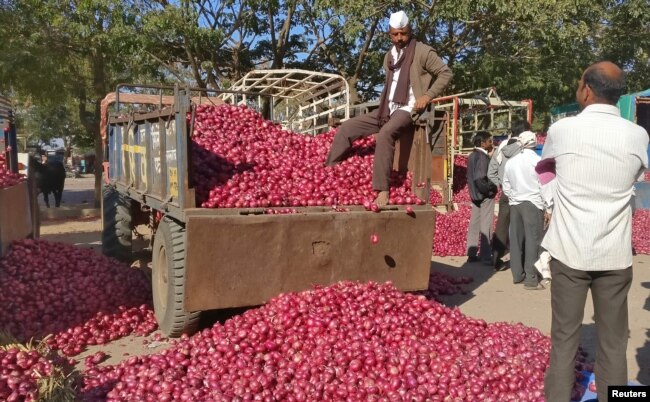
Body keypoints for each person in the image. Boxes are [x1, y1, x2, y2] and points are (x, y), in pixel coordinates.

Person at [543, 61, 648, 402]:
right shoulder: (638, 135)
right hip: (614, 256)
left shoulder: (562, 130)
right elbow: (636, 181)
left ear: (586, 89)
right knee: (615, 343)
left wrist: (558, 198)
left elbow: (545, 173)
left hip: (569, 252)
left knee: (564, 341)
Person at [325, 10, 453, 206]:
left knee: (385, 134)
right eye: (395, 34)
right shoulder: (389, 57)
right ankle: (330, 169)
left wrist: (427, 96)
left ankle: (382, 190)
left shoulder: (423, 52)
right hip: (387, 109)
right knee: (347, 128)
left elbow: (445, 73)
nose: (400, 38)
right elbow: (390, 86)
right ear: (389, 34)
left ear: (410, 31)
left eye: (403, 33)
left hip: (409, 108)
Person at [501, 131, 545, 289]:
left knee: (516, 239)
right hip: (533, 203)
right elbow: (544, 185)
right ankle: (531, 278)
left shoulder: (511, 162)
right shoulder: (538, 161)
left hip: (515, 203)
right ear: (535, 142)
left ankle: (517, 274)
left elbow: (505, 185)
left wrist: (513, 196)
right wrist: (547, 205)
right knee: (533, 240)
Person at [487, 120, 531, 270]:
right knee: (523, 227)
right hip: (522, 193)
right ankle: (522, 264)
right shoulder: (525, 148)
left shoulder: (501, 147)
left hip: (506, 192)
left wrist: (501, 184)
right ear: (526, 133)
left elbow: (490, 171)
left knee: (502, 226)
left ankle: (496, 260)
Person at [465, 131, 497, 264]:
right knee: (486, 224)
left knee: (474, 222)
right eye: (489, 141)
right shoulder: (482, 157)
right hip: (484, 195)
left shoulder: (472, 155)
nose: (491, 143)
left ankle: (471, 253)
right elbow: (480, 178)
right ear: (483, 143)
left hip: (475, 195)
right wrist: (490, 189)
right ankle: (485, 256)